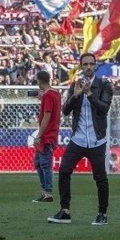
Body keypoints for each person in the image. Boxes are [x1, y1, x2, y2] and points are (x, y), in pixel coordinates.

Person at [48, 53, 113, 226]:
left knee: (100, 178)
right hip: (78, 138)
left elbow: (104, 109)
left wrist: (90, 94)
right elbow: (66, 111)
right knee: (64, 171)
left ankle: (102, 213)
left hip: (97, 139)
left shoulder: (104, 85)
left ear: (95, 65)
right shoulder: (74, 85)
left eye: (91, 64)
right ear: (81, 66)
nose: (89, 67)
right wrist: (76, 95)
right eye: (85, 64)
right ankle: (65, 211)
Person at [33, 70, 61, 203]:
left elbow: (47, 115)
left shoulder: (48, 96)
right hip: (51, 133)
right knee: (38, 163)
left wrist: (39, 134)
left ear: (39, 80)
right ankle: (45, 191)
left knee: (44, 164)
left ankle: (48, 192)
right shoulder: (55, 93)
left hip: (47, 135)